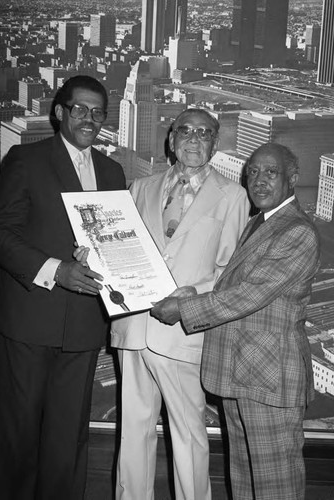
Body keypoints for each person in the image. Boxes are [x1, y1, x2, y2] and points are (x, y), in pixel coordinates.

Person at [0, 75, 126, 500]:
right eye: (79, 109)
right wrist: (54, 270)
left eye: (98, 112)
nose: (89, 118)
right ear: (60, 113)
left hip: (83, 325)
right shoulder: (26, 160)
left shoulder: (112, 170)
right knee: (17, 436)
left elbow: (116, 244)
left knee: (68, 439)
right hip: (29, 319)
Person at [151, 143, 321, 500]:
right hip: (245, 373)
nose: (259, 181)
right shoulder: (261, 222)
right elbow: (237, 285)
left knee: (276, 485)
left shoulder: (297, 231)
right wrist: (192, 295)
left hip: (269, 379)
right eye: (253, 172)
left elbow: (251, 295)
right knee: (244, 480)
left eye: (270, 173)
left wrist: (186, 310)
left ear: (293, 178)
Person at [111, 108, 249, 500]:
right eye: (185, 131)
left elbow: (229, 272)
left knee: (188, 435)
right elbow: (122, 251)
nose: (193, 138)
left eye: (204, 133)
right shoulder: (140, 187)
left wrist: (188, 301)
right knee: (133, 432)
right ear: (171, 140)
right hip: (134, 327)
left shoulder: (233, 196)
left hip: (184, 332)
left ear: (215, 144)